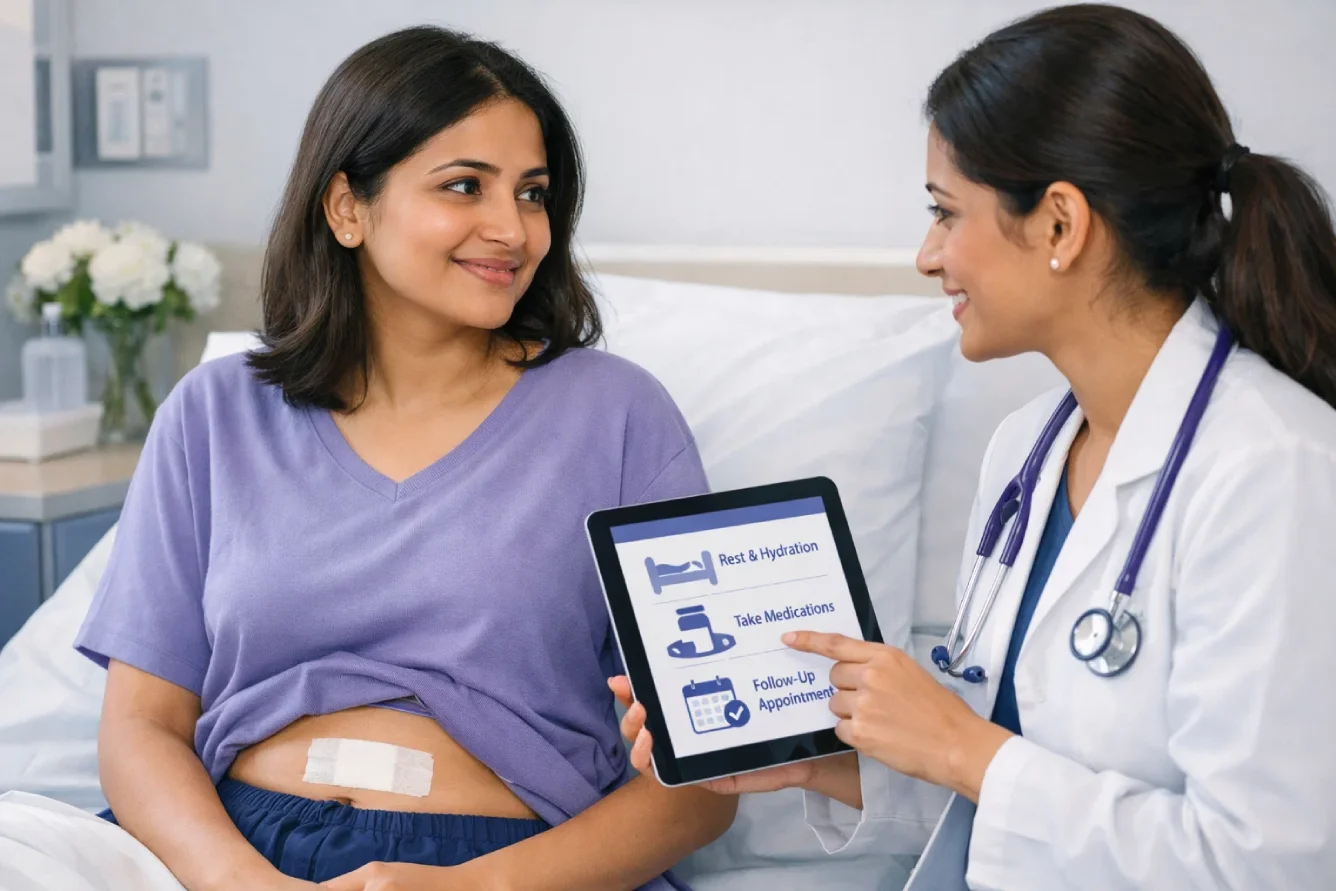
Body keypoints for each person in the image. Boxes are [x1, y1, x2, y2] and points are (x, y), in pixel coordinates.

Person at [613, 5, 1336, 889]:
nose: (927, 255)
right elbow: (1004, 783)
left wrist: (962, 746)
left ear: (1060, 226)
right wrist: (810, 758)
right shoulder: (1027, 451)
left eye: (946, 213)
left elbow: (1268, 865)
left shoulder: (1278, 470)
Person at [73, 26, 735, 891]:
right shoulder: (214, 412)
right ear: (346, 206)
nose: (513, 229)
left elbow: (707, 784)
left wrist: (472, 888)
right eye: (465, 186)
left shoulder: (617, 416)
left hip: (509, 869)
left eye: (532, 194)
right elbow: (141, 727)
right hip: (220, 854)